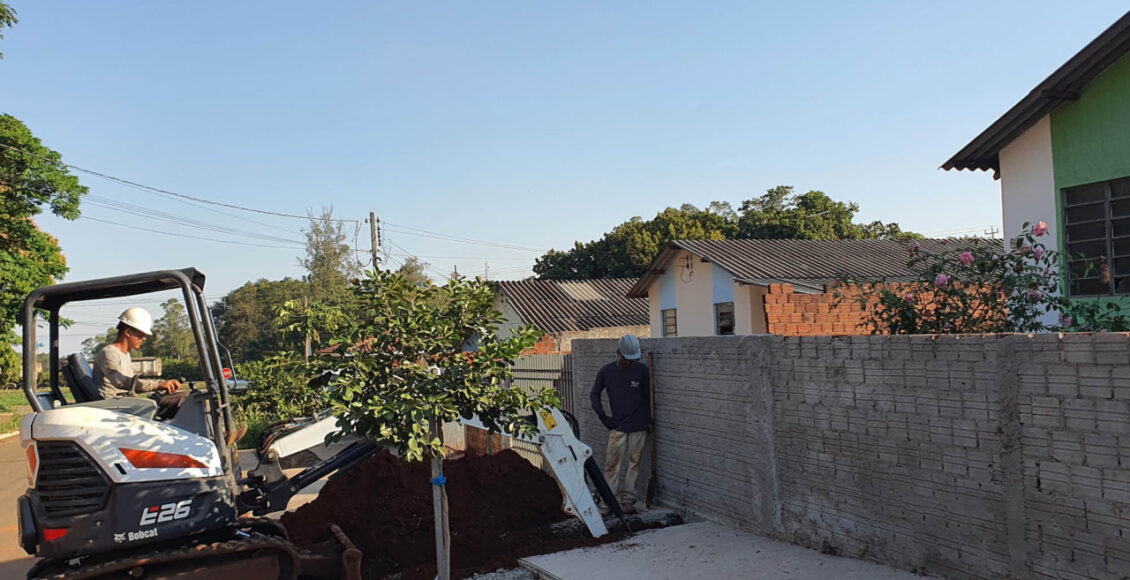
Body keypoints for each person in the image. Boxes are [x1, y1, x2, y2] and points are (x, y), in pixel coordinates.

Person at [590, 334, 650, 514]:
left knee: (634, 463)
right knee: (612, 465)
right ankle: (608, 501)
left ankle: (628, 501)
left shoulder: (642, 371)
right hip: (618, 427)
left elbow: (648, 397)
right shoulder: (607, 372)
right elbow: (594, 394)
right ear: (618, 354)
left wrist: (648, 419)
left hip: (638, 426)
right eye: (626, 359)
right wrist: (603, 417)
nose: (629, 363)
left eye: (632, 360)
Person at [92, 307, 186, 419]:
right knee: (184, 400)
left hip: (128, 403)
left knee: (189, 396)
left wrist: (160, 387)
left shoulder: (126, 355)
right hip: (116, 407)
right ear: (127, 332)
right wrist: (158, 384)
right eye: (141, 335)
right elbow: (120, 381)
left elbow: (131, 384)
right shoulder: (109, 353)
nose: (144, 339)